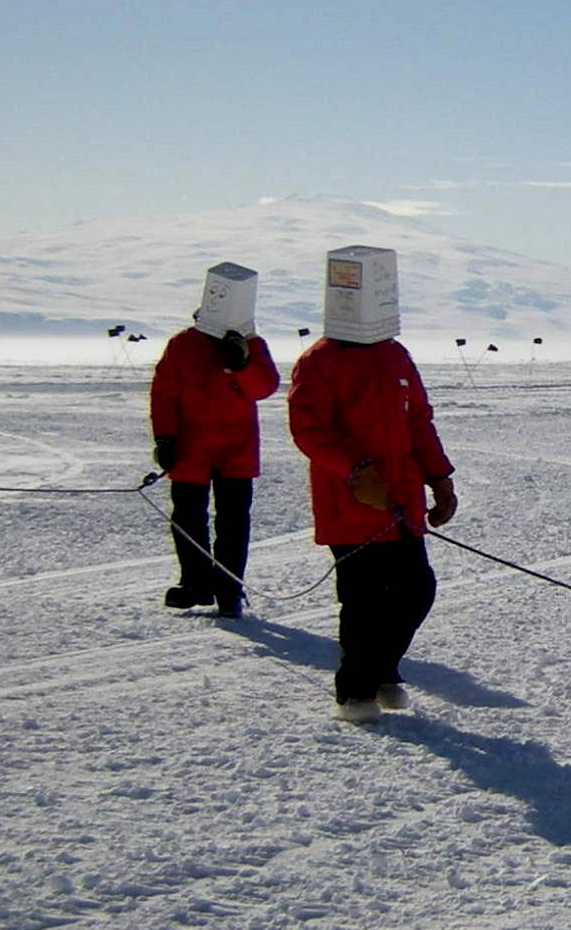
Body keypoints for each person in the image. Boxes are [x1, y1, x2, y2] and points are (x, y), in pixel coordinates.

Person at [287, 308, 458, 725]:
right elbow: (309, 429)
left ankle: (381, 670)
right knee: (364, 602)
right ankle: (355, 692)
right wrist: (357, 471)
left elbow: (418, 421)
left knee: (416, 590)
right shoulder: (319, 361)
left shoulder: (396, 355)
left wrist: (439, 478)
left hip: (402, 503)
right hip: (348, 505)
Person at [150, 321, 277, 618]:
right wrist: (165, 437)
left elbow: (264, 388)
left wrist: (242, 364)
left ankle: (229, 590)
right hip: (189, 448)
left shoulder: (251, 343)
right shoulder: (183, 344)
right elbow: (164, 393)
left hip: (236, 450)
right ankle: (196, 583)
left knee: (233, 522)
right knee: (187, 517)